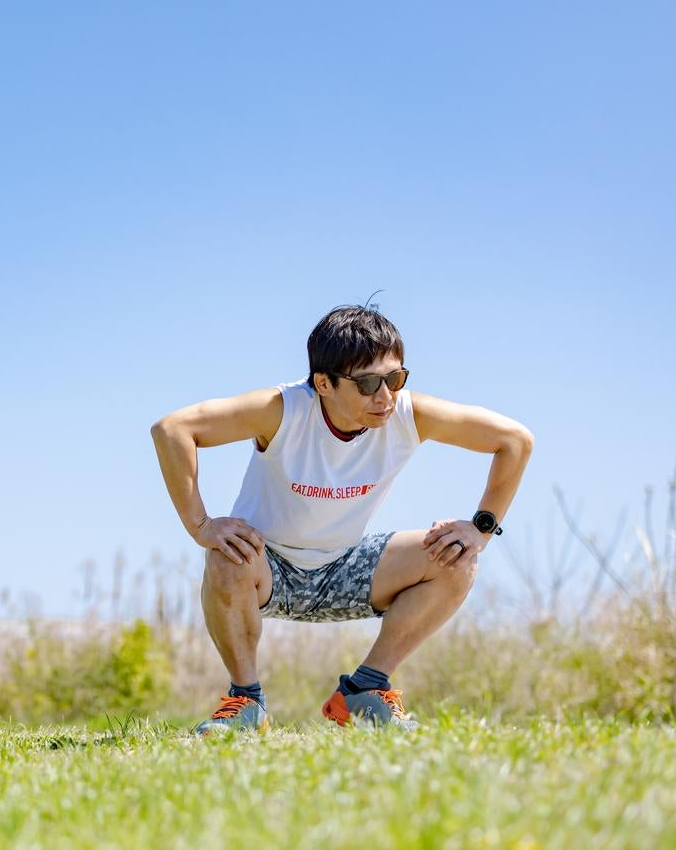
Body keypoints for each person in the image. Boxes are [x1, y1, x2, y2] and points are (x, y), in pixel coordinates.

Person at [150, 304, 533, 732]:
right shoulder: (282, 409)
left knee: (457, 558)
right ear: (324, 384)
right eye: (369, 383)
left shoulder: (409, 414)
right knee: (225, 555)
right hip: (265, 565)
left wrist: (480, 529)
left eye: (395, 378)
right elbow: (172, 430)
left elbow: (515, 440)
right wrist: (202, 526)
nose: (385, 396)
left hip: (345, 563)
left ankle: (364, 692)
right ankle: (245, 703)